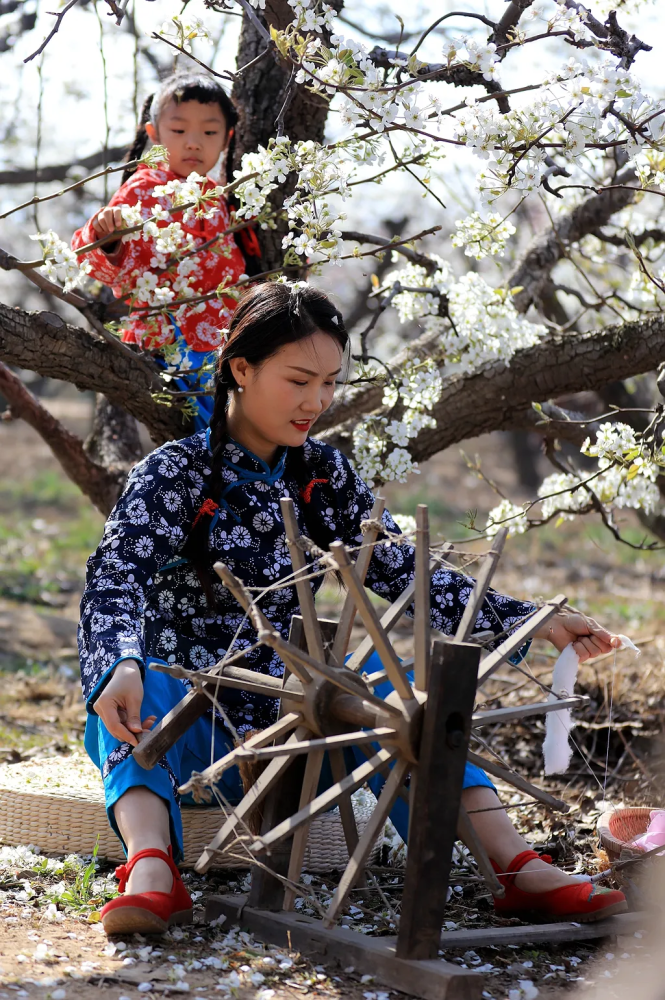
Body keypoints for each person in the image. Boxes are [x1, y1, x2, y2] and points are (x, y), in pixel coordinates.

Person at [78, 282, 627, 935]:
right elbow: (114, 578)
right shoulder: (174, 474)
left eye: (330, 383)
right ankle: (151, 868)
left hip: (292, 730)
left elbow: (402, 569)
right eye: (298, 380)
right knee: (141, 689)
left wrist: (528, 619)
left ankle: (514, 866)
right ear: (240, 369)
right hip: (185, 730)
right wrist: (120, 664)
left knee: (398, 704)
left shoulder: (321, 475)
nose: (316, 402)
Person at [71, 72, 261, 431]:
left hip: (226, 343)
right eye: (178, 130)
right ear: (154, 134)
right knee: (224, 431)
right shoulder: (145, 188)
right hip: (170, 341)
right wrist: (107, 236)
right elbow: (96, 258)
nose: (193, 143)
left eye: (209, 132)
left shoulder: (221, 198)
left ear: (227, 138)